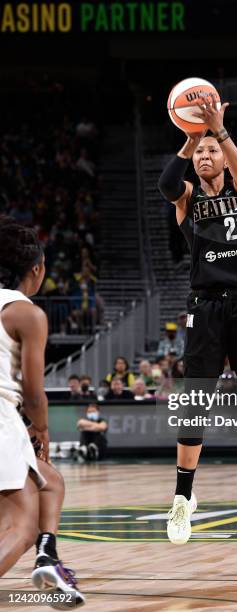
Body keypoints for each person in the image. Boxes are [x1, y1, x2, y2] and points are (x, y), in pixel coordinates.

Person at [158, 95, 237, 546]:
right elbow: (167, 184)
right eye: (201, 152)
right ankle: (183, 499)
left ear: (224, 159)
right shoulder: (186, 198)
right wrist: (190, 141)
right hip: (205, 308)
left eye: (212, 151)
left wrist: (220, 131)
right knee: (195, 402)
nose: (206, 156)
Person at [0, 216, 84, 604]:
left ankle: (48, 559)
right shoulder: (26, 313)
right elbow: (34, 391)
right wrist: (42, 429)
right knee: (20, 525)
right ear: (36, 270)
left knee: (50, 482)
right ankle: (40, 548)